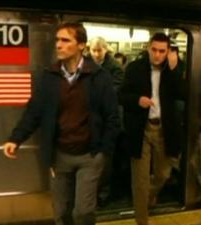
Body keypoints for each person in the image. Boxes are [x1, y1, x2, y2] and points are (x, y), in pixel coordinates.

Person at [2, 22, 120, 225]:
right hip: (60, 155)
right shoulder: (50, 77)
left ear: (81, 45)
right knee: (61, 212)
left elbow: (112, 117)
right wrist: (16, 138)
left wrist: (103, 152)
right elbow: (34, 112)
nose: (58, 45)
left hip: (90, 156)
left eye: (66, 40)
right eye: (57, 40)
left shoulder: (100, 77)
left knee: (83, 212)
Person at [120, 32, 184, 225]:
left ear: (168, 52)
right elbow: (121, 95)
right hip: (141, 129)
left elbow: (182, 93)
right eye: (154, 50)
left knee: (164, 173)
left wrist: (174, 70)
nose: (157, 55)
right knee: (140, 181)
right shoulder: (134, 68)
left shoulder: (172, 70)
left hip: (164, 129)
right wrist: (137, 100)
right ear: (148, 48)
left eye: (161, 51)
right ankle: (142, 220)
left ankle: (149, 195)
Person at [87, 36, 125, 207]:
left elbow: (115, 91)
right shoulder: (85, 65)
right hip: (91, 120)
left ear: (105, 49)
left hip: (108, 120)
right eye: (93, 50)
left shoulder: (115, 68)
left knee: (107, 159)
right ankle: (91, 193)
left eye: (99, 50)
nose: (96, 54)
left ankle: (104, 193)